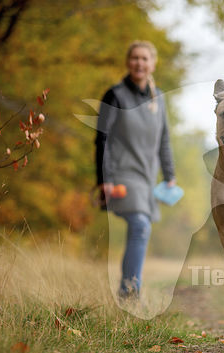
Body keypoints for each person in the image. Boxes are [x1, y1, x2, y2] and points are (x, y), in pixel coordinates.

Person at [94, 40, 176, 299]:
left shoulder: (158, 98)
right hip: (121, 174)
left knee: (141, 226)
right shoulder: (115, 95)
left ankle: (128, 289)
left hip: (147, 176)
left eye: (144, 59)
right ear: (128, 62)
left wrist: (170, 175)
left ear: (152, 64)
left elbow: (164, 139)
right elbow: (102, 140)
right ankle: (130, 292)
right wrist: (103, 179)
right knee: (140, 224)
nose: (139, 63)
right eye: (135, 58)